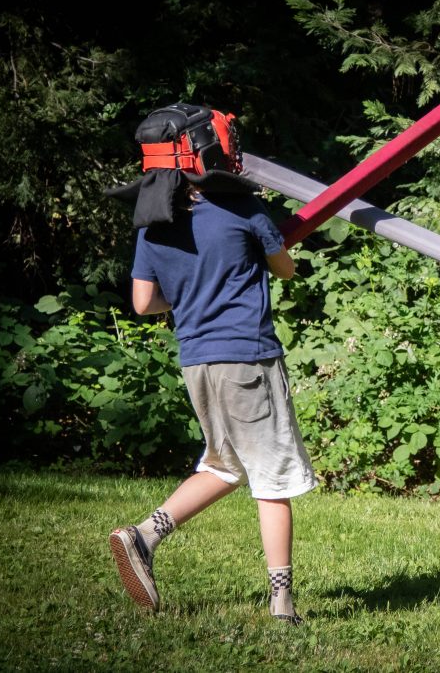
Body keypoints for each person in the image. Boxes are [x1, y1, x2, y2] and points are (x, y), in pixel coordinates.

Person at [103, 103, 318, 624]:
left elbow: (143, 303)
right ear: (209, 150)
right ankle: (283, 605)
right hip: (247, 357)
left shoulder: (152, 228)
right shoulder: (244, 211)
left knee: (225, 465)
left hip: (197, 361)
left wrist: (191, 292)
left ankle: (145, 534)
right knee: (273, 479)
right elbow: (286, 270)